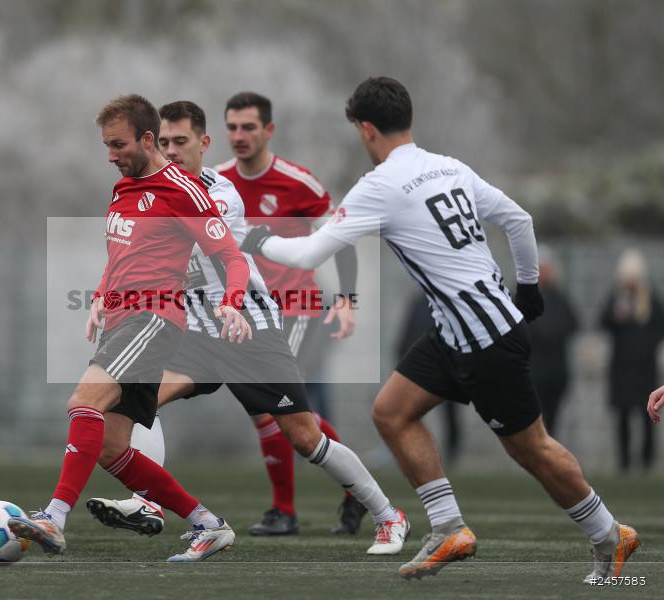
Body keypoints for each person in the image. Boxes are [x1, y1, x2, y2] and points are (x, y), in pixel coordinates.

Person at [241, 77, 640, 582]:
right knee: (391, 412)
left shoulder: (381, 184)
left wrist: (253, 238)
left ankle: (609, 533)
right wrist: (528, 288)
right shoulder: (449, 166)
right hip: (458, 331)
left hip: (484, 339)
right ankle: (449, 527)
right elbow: (519, 220)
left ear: (366, 130)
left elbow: (306, 254)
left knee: (531, 449)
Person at [86, 101, 405, 554]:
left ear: (203, 144)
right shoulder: (150, 191)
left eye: (181, 141)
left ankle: (388, 515)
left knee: (304, 436)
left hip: (248, 328)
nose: (172, 150)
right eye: (166, 141)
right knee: (142, 402)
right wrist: (106, 294)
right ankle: (150, 504)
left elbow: (185, 248)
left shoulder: (219, 194)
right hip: (197, 332)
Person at [8, 94, 251, 562]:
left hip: (153, 318)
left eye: (118, 145)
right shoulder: (123, 187)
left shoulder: (182, 189)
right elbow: (123, 252)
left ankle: (53, 518)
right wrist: (101, 296)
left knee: (83, 402)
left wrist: (232, 304)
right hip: (122, 321)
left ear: (147, 139)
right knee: (112, 447)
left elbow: (231, 257)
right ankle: (208, 525)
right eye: (106, 145)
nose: (110, 155)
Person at [216, 91, 364, 535]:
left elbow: (342, 237)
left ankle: (285, 510)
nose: (239, 136)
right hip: (249, 312)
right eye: (232, 127)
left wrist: (348, 299)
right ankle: (353, 491)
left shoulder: (298, 183)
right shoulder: (217, 183)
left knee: (278, 405)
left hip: (295, 307)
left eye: (248, 127)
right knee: (273, 409)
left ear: (268, 130)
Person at [599, 249, 664, 471]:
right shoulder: (617, 298)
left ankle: (646, 461)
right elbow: (603, 322)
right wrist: (616, 315)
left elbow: (659, 327)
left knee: (648, 415)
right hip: (622, 369)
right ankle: (624, 461)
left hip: (645, 369)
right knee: (623, 415)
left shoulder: (651, 299)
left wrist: (648, 345)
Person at [396, 294, 463, 466]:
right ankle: (414, 452)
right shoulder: (419, 303)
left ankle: (452, 451)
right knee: (409, 413)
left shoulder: (450, 303)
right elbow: (408, 333)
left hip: (446, 369)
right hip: (419, 369)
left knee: (449, 413)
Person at [529, 245, 579, 437]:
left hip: (556, 371)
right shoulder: (525, 297)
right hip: (533, 371)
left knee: (552, 421)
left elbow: (572, 323)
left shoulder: (559, 297)